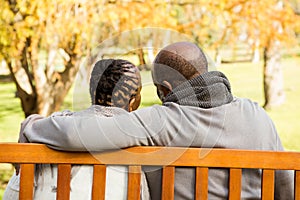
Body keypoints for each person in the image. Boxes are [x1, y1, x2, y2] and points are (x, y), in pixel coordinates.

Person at [18, 41, 293, 199]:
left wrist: (32, 124)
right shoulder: (257, 114)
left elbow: (75, 134)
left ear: (165, 89)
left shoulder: (163, 120)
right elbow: (287, 188)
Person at [4, 59, 150, 200]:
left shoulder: (49, 133)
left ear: (92, 93)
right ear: (132, 102)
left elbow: (12, 195)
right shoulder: (141, 138)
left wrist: (31, 123)